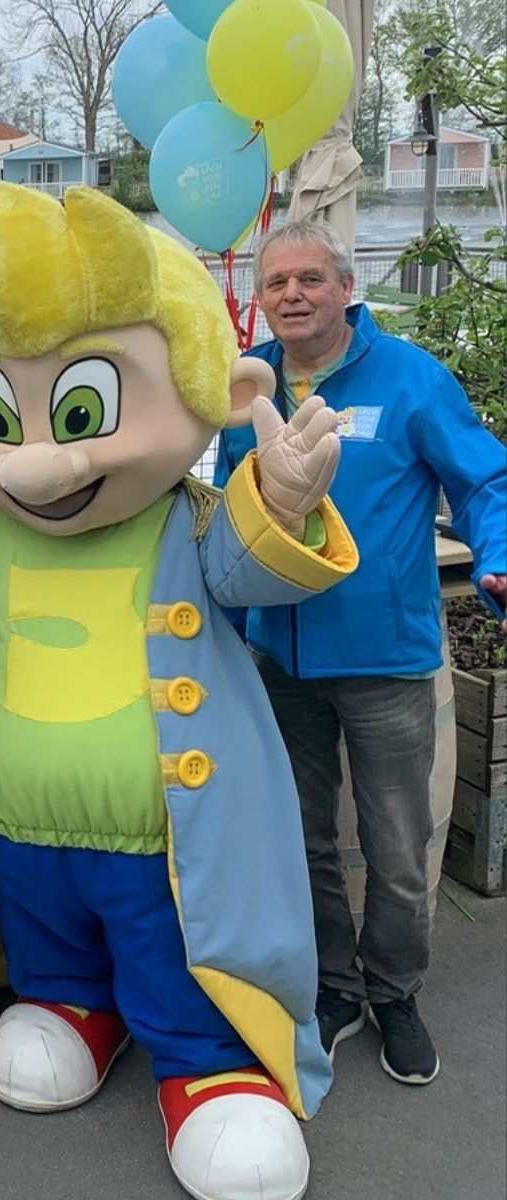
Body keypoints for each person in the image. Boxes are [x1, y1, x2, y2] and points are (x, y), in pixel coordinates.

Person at [0, 183, 359, 1200]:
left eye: (84, 410)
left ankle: (208, 1062)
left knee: (173, 940)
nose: (43, 457)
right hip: (13, 825)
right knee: (49, 925)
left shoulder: (187, 523)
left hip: (165, 831)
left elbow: (256, 575)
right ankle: (71, 1004)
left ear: (219, 392)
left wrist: (278, 499)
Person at [214, 219, 507, 1088]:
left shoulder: (411, 378)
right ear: (260, 299)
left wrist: (495, 555)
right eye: (277, 284)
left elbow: (486, 481)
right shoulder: (248, 387)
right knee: (300, 843)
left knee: (398, 844)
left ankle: (397, 992)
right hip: (277, 663)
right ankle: (335, 988)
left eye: (310, 279)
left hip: (385, 659)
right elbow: (228, 513)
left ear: (347, 287)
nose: (293, 296)